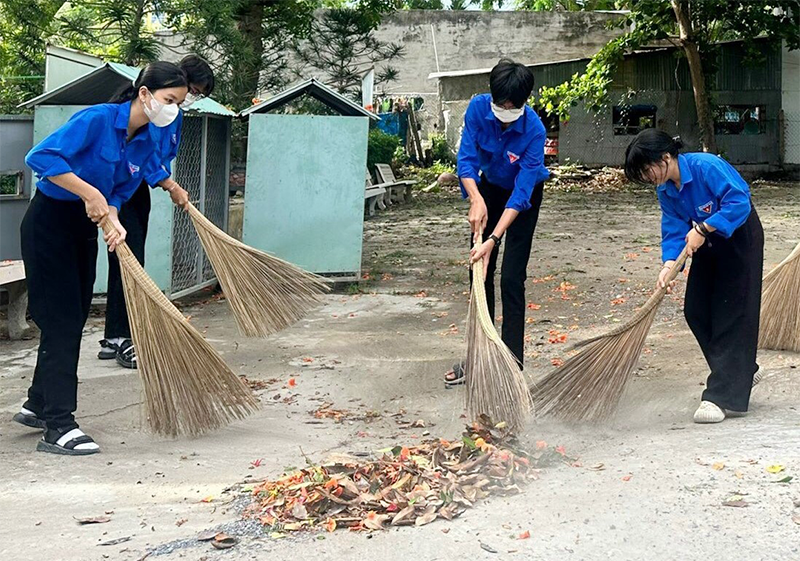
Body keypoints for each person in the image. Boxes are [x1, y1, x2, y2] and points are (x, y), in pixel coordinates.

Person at [12, 62, 189, 455]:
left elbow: (123, 186)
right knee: (60, 320)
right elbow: (41, 157)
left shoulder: (145, 138)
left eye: (178, 102)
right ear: (144, 93)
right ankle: (58, 425)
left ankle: (38, 404)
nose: (173, 109)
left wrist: (111, 214)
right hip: (49, 224)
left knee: (73, 317)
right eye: (169, 99)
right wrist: (90, 194)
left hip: (82, 228)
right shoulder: (97, 119)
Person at [624, 129, 764, 424]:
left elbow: (739, 201)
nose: (648, 177)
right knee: (696, 310)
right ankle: (741, 371)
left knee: (731, 313)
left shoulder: (706, 167)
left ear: (665, 157)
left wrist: (704, 228)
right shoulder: (665, 190)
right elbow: (674, 227)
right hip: (705, 241)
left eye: (647, 169)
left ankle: (721, 396)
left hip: (739, 237)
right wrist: (668, 263)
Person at [99, 55, 216, 369]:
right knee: (127, 260)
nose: (187, 99)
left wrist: (167, 181)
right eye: (190, 90)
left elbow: (161, 156)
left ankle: (116, 335)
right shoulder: (135, 114)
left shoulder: (172, 115)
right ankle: (124, 336)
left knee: (129, 258)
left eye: (194, 94)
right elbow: (145, 156)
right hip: (122, 187)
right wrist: (169, 184)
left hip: (135, 188)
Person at [445, 58, 549, 386]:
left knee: (511, 278)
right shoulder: (477, 109)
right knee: (479, 273)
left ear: (524, 101)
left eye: (512, 104)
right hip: (488, 188)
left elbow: (521, 193)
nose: (506, 109)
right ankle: (479, 356)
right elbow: (466, 160)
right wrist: (476, 199)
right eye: (500, 102)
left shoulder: (534, 129)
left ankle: (511, 362)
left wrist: (494, 238)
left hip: (523, 198)